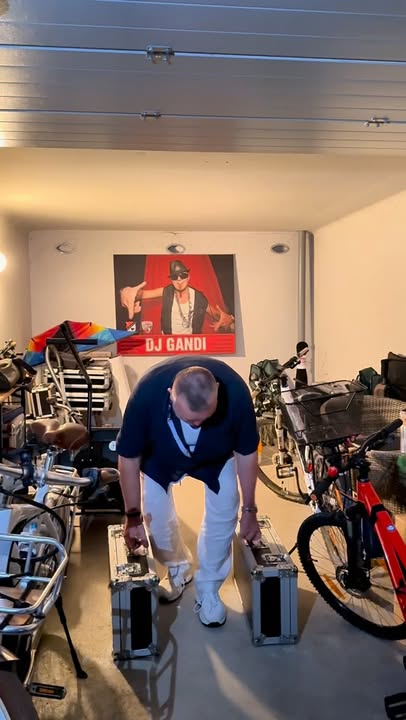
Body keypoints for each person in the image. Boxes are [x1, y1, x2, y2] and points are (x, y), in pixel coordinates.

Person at [116, 356, 261, 628]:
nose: (196, 424)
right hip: (161, 458)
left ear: (217, 391)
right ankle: (177, 569)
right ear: (170, 394)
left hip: (216, 456)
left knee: (226, 508)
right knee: (155, 516)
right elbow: (128, 458)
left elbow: (247, 453)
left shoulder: (236, 393)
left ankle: (209, 588)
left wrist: (250, 510)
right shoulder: (146, 394)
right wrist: (132, 517)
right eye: (190, 419)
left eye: (204, 418)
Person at [119, 259, 235, 334]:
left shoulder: (198, 297)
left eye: (183, 275)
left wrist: (230, 320)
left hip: (192, 346)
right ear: (171, 280)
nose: (179, 280)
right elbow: (141, 294)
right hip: (168, 344)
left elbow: (216, 314)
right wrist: (125, 291)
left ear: (188, 277)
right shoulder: (166, 291)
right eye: (175, 277)